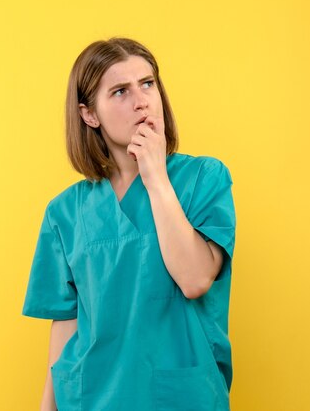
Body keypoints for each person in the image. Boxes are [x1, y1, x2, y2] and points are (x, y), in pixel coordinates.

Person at [22, 37, 236, 411]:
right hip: (89, 398)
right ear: (90, 115)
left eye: (148, 84)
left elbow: (195, 279)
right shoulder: (65, 212)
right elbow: (66, 324)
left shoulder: (204, 178)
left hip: (180, 397)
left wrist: (155, 177)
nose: (142, 101)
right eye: (120, 91)